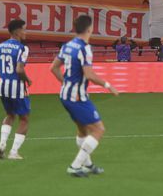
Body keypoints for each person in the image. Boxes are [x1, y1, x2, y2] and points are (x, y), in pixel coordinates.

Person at [50, 14, 120, 177]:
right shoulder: (84, 48)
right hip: (77, 97)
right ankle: (75, 166)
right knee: (98, 129)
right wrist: (108, 85)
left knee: (82, 130)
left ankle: (87, 165)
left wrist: (66, 84)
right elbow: (89, 75)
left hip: (65, 95)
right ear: (90, 29)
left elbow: (53, 68)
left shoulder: (67, 46)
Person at [0, 19, 32, 160]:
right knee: (24, 119)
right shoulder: (22, 48)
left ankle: (2, 143)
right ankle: (14, 152)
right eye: (24, 29)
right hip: (17, 86)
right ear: (17, 31)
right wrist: (27, 80)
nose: (25, 32)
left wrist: (5, 75)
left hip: (3, 86)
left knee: (10, 115)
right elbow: (19, 69)